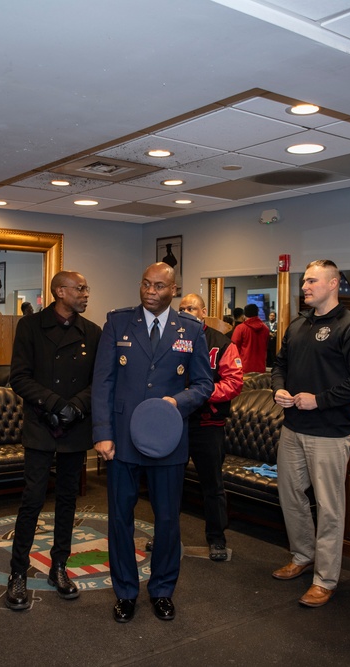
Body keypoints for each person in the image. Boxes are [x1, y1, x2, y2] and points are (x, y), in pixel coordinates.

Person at [92, 263, 212, 623]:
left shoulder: (190, 329)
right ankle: (125, 592)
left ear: (173, 290)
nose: (150, 290)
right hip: (123, 440)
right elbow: (103, 382)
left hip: (168, 440)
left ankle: (162, 590)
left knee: (167, 521)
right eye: (146, 284)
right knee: (120, 519)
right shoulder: (118, 322)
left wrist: (178, 403)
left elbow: (204, 384)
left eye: (159, 286)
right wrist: (102, 433)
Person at [270, 260, 350, 607]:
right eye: (305, 281)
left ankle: (326, 578)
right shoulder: (298, 324)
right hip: (293, 428)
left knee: (329, 508)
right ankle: (302, 557)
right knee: (291, 497)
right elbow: (280, 364)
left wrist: (320, 401)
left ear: (333, 284)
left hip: (331, 433)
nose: (305, 287)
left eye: (313, 281)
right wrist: (279, 389)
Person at [4, 271, 102, 610]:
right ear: (60, 291)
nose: (86, 293)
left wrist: (75, 407)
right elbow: (19, 376)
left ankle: (59, 566)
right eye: (80, 288)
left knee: (67, 502)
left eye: (86, 288)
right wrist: (55, 404)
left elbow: (99, 381)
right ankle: (17, 572)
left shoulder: (92, 332)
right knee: (32, 501)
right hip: (41, 424)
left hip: (75, 426)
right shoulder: (30, 327)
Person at [177, 293, 243, 561]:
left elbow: (234, 383)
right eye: (181, 308)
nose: (186, 312)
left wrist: (200, 394)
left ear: (204, 312)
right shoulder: (173, 340)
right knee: (169, 484)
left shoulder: (222, 344)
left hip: (208, 425)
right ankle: (166, 536)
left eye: (191, 308)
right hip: (176, 424)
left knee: (212, 486)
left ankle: (217, 539)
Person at [231, 303, 268, 373]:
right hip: (261, 368)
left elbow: (234, 349)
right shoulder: (265, 328)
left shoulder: (240, 328)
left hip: (244, 368)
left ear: (245, 315)